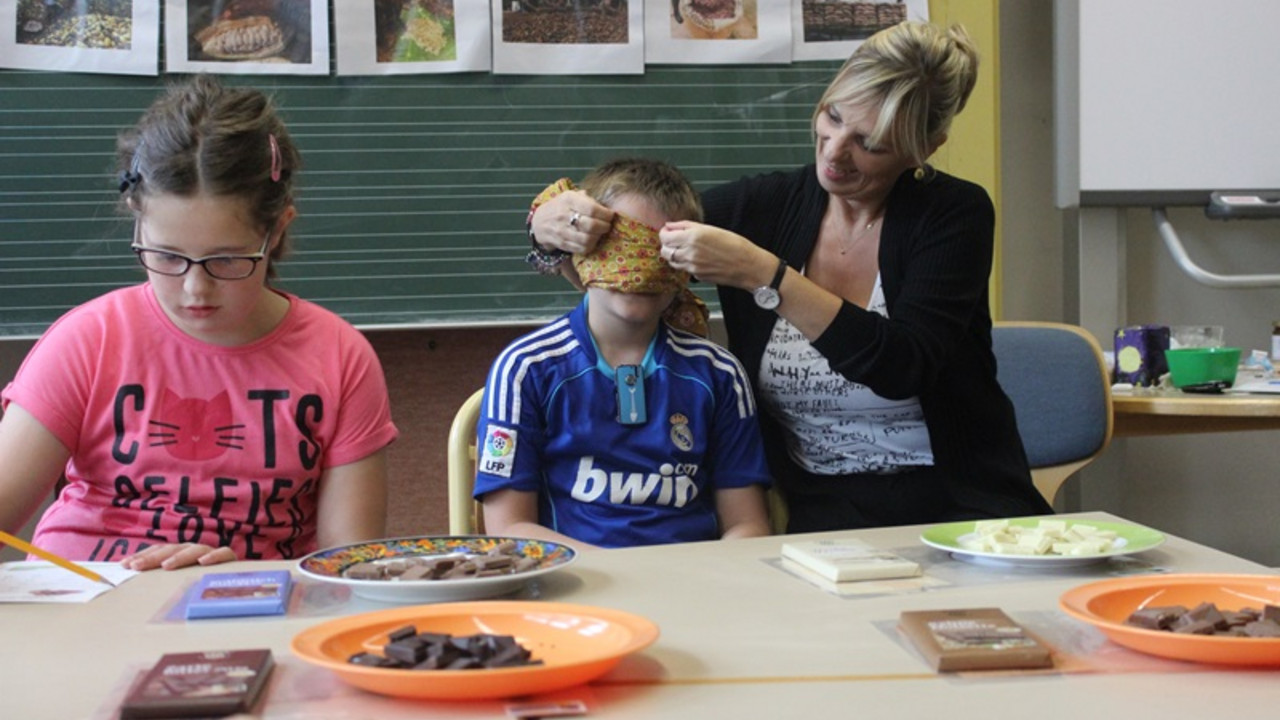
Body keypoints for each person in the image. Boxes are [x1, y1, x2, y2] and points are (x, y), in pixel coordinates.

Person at [526, 22, 1053, 533]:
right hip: (824, 513)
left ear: (925, 148)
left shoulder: (953, 214)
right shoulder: (760, 208)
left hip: (965, 509)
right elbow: (631, 250)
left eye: (870, 143)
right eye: (832, 116)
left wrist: (765, 274)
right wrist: (548, 229)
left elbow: (901, 367)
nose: (834, 151)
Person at [0, 75, 399, 570]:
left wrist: (234, 578)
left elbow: (344, 566)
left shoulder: (338, 356)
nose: (195, 289)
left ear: (276, 232)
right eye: (166, 256)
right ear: (136, 218)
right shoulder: (90, 340)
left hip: (249, 605)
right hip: (86, 598)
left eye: (227, 260)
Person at [476, 157, 772, 549]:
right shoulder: (527, 370)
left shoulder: (717, 374)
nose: (639, 271)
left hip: (690, 586)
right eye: (622, 247)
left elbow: (747, 525)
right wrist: (620, 576)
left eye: (657, 251)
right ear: (581, 247)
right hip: (576, 587)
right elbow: (508, 527)